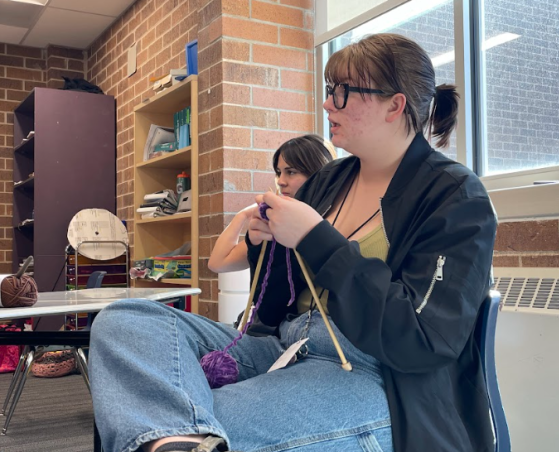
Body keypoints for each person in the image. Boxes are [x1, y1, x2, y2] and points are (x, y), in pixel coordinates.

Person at [89, 33, 497, 452]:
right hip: (289, 346)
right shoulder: (329, 181)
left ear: (395, 105)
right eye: (328, 91)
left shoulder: (454, 196)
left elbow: (422, 340)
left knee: (195, 419)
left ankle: (174, 438)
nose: (327, 104)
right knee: (126, 321)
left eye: (343, 92)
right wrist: (264, 243)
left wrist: (317, 239)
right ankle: (174, 439)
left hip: (375, 375)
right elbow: (270, 308)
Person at [207, 134, 335, 273]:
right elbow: (218, 263)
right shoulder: (276, 223)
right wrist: (242, 215)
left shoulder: (331, 223)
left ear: (317, 173)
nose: (281, 181)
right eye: (279, 172)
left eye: (291, 172)